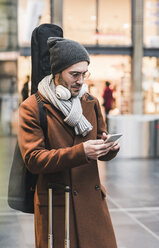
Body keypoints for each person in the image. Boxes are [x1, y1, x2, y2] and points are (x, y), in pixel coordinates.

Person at [18, 37, 120, 248]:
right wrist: (81, 152)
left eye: (84, 74)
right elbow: (34, 159)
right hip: (58, 205)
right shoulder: (32, 107)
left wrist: (109, 148)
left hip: (92, 205)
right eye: (74, 74)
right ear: (57, 73)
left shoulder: (90, 102)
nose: (81, 81)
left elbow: (101, 138)